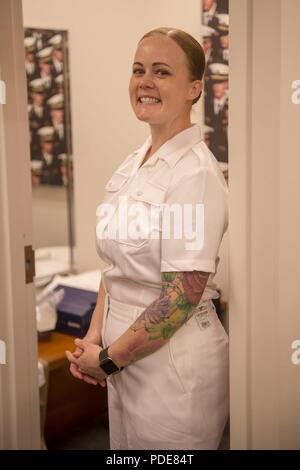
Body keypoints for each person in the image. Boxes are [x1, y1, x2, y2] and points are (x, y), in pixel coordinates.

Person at [66, 27, 229, 450]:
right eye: (138, 70)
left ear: (194, 88)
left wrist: (107, 359)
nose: (145, 81)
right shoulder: (134, 163)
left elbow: (181, 297)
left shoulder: (194, 173)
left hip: (172, 365)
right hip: (124, 355)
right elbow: (115, 267)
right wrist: (96, 337)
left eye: (161, 71)